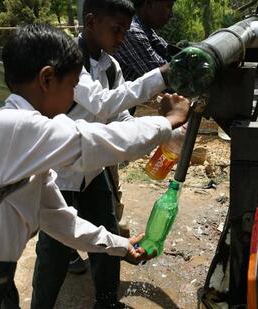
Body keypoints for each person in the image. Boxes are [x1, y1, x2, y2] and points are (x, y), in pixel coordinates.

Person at [0, 23, 190, 308]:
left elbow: (59, 219)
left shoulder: (18, 138)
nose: (74, 96)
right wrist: (167, 122)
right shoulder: (16, 127)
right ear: (47, 79)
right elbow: (96, 143)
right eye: (72, 86)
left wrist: (120, 246)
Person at [31, 0, 173, 308]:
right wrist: (163, 74)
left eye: (124, 30)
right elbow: (103, 104)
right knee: (54, 252)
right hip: (61, 173)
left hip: (94, 170)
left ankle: (107, 302)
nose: (122, 37)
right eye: (116, 30)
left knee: (107, 237)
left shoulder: (111, 67)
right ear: (91, 21)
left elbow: (118, 117)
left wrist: (163, 130)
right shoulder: (69, 61)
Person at [113, 0, 176, 115]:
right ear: (149, 4)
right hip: (109, 114)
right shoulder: (132, 31)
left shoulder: (147, 31)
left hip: (118, 110)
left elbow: (168, 52)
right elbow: (167, 77)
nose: (171, 14)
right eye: (168, 7)